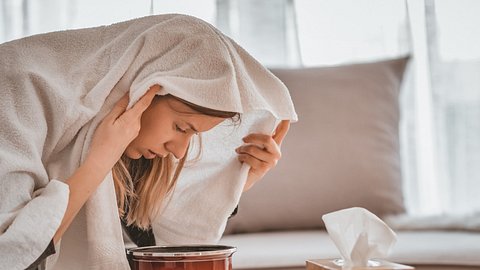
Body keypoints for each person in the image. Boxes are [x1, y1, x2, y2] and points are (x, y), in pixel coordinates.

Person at [0, 14, 296, 269]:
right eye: (181, 127)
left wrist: (236, 180)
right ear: (143, 88)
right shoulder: (16, 88)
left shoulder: (124, 149)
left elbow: (166, 243)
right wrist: (101, 158)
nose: (180, 151)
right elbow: (15, 251)